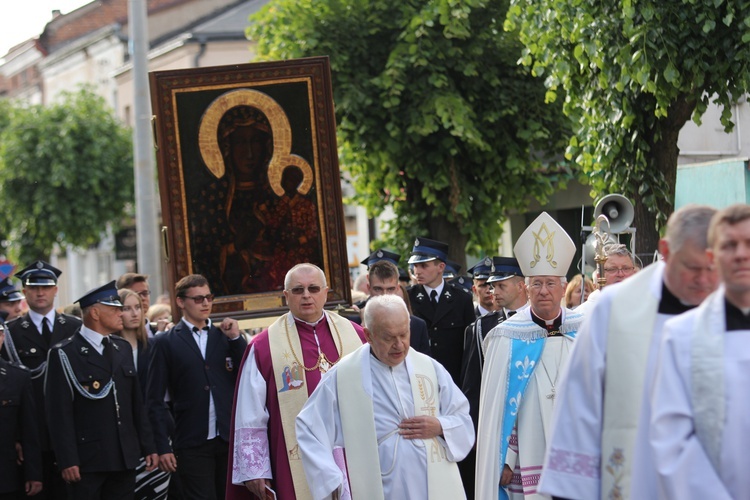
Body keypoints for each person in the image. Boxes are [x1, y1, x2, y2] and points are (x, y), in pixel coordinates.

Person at [537, 204, 718, 500]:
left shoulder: (732, 308)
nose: (702, 280)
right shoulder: (614, 309)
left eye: (711, 268)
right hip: (638, 481)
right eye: (692, 267)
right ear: (666, 251)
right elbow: (581, 405)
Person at [295, 294, 474, 499]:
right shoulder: (344, 375)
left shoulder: (430, 368)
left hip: (435, 481)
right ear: (368, 335)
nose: (399, 345)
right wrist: (330, 479)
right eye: (389, 338)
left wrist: (440, 426)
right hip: (381, 484)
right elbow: (308, 427)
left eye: (404, 334)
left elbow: (462, 418)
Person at [227, 263, 366, 500]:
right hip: (297, 455)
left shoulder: (357, 335)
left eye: (313, 288)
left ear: (325, 292)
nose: (306, 296)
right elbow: (250, 412)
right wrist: (255, 469)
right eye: (298, 290)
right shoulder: (264, 346)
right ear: (286, 296)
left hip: (351, 450)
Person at [475, 212, 583, 500]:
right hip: (528, 452)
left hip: (578, 451)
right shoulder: (506, 338)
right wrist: (506, 458)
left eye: (550, 283)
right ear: (526, 288)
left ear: (563, 286)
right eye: (536, 283)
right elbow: (500, 412)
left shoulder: (586, 333)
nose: (543, 291)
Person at [645, 204, 749, 499]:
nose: (741, 253)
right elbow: (671, 440)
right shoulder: (680, 336)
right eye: (730, 245)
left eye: (749, 244)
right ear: (712, 258)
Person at [45, 281, 158, 499]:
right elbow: (59, 414)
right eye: (115, 309)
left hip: (123, 455)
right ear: (95, 313)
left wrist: (148, 446)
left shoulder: (121, 347)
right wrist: (68, 459)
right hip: (88, 460)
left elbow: (135, 403)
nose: (121, 314)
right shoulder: (65, 353)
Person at [146, 274, 247, 500]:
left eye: (209, 298)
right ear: (181, 302)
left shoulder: (224, 336)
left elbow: (247, 377)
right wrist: (162, 446)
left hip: (227, 438)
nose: (205, 304)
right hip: (191, 439)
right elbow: (153, 400)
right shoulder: (165, 342)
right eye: (198, 299)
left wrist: (236, 340)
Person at [3, 260, 81, 500]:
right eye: (34, 287)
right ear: (25, 292)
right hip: (32, 431)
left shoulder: (75, 327)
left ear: (55, 290)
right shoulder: (10, 331)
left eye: (46, 287)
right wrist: (15, 436)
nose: (40, 292)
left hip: (73, 430)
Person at [459, 256, 526, 498]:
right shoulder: (481, 328)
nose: (492, 290)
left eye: (500, 285)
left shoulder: (541, 323)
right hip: (497, 426)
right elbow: (472, 387)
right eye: (490, 285)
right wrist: (475, 433)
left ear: (521, 285)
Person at [116, 289, 171, 500]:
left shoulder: (152, 346)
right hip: (124, 439)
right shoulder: (110, 348)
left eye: (137, 307)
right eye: (126, 308)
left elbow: (157, 398)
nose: (134, 313)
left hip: (156, 433)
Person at [407, 238, 475, 385]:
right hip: (417, 379)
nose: (417, 271)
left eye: (424, 266)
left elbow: (470, 347)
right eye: (415, 266)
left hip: (453, 379)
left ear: (441, 267)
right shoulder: (408, 297)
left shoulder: (462, 299)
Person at [0, 320, 42, 499]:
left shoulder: (18, 376)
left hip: (5, 475)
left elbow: (29, 430)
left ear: (2, 337)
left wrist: (33, 474)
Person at [366, 260, 431, 355]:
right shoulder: (354, 323)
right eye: (378, 289)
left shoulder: (417, 326)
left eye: (390, 289)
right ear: (369, 288)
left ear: (397, 288)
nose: (384, 295)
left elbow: (424, 365)